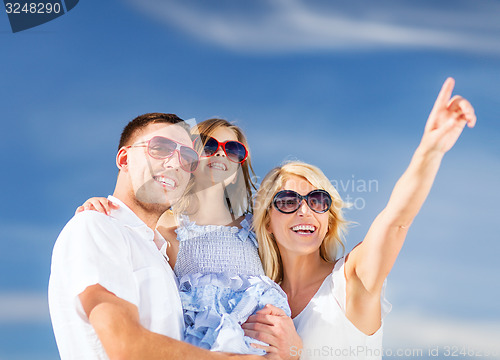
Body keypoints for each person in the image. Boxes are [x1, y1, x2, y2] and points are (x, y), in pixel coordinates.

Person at [244, 78, 476, 360]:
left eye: (318, 201)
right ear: (267, 221)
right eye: (288, 201)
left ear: (328, 220)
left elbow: (396, 221)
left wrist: (430, 150)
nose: (304, 210)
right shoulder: (255, 299)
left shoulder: (351, 280)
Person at [48, 113, 278, 360]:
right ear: (124, 158)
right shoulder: (97, 226)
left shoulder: (155, 249)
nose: (174, 164)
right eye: (160, 148)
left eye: (187, 157)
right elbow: (124, 346)